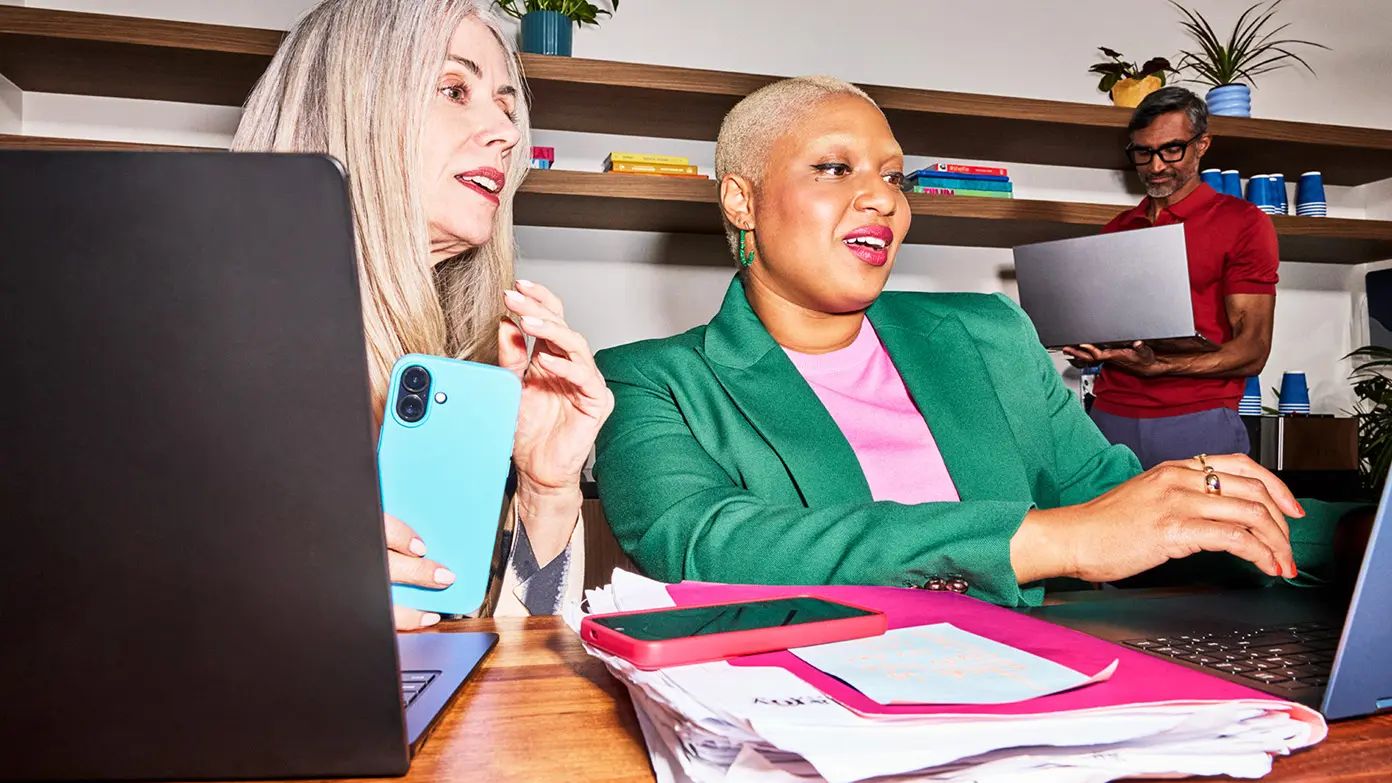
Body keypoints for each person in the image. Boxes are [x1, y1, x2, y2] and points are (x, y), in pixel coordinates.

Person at [591, 76, 1364, 606]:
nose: (881, 198)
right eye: (834, 168)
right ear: (741, 200)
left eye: (895, 177)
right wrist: (1048, 540)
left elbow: (1119, 501)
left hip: (1043, 696)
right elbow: (709, 546)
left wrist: (1360, 537)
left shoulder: (988, 332)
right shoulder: (648, 381)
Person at [234, 0, 612, 625]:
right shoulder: (191, 366)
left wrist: (546, 492)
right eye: (454, 89)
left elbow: (503, 658)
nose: (508, 134)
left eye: (506, 107)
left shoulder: (459, 384)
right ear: (347, 109)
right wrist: (284, 607)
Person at [1063, 87, 1277, 469]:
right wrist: (1089, 349)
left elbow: (1253, 349)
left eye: (1172, 150)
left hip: (1198, 419)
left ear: (1202, 145)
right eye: (1143, 152)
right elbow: (1109, 330)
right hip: (1109, 417)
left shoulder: (1243, 223)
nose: (1156, 166)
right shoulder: (1116, 230)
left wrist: (1161, 366)